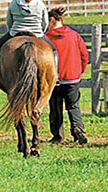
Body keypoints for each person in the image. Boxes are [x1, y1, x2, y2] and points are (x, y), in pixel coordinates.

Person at [0, 0, 57, 83]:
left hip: (16, 32)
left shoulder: (13, 4)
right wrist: (40, 31)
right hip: (37, 33)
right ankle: (56, 75)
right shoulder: (40, 4)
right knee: (54, 50)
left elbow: (9, 21)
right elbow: (45, 23)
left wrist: (12, 31)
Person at [45, 7, 88, 144]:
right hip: (72, 78)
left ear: (52, 20)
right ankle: (77, 128)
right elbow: (84, 55)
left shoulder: (46, 38)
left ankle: (58, 136)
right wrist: (79, 71)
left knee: (55, 107)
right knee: (73, 105)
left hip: (54, 78)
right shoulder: (74, 35)